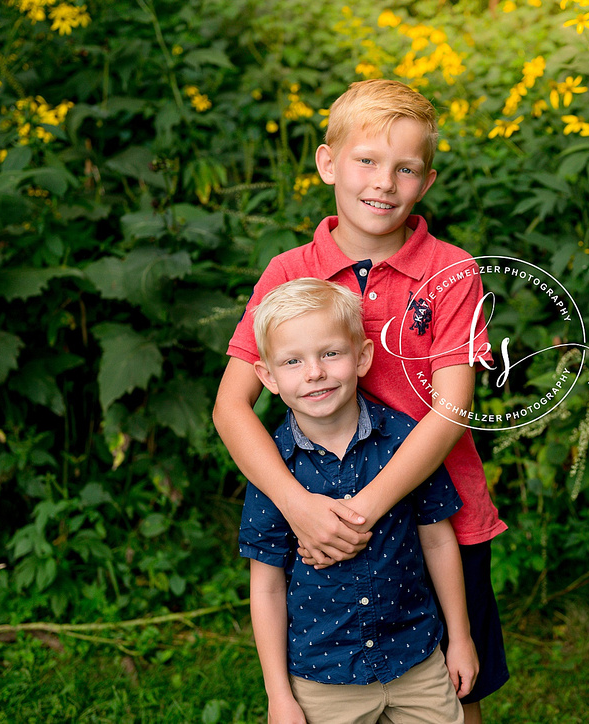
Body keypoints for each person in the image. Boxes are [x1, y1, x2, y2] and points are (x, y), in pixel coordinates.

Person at [214, 79, 509, 721]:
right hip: (315, 512)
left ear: (425, 182)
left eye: (405, 169)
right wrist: (300, 509)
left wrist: (362, 510)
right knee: (337, 686)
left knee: (458, 691)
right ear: (328, 164)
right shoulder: (288, 273)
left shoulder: (453, 273)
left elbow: (453, 407)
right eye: (367, 161)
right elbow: (229, 408)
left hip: (439, 513)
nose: (384, 182)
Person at [241, 278, 476, 723]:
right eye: (293, 361)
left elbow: (439, 540)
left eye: (330, 353)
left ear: (362, 356)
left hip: (416, 658)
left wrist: (459, 637)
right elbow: (266, 584)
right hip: (323, 674)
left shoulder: (405, 441)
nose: (315, 372)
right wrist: (278, 694)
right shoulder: (273, 469)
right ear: (268, 377)